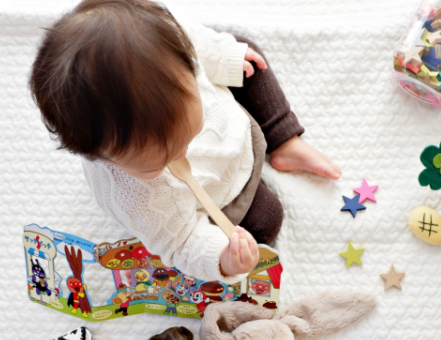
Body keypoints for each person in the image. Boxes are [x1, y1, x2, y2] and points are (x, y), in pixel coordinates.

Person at [29, 0, 341, 282]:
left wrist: (223, 57)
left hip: (235, 126)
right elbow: (181, 243)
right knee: (265, 222)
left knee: (245, 57)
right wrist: (223, 260)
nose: (183, 153)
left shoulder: (170, 44)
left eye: (188, 135)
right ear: (103, 158)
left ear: (185, 66)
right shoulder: (138, 199)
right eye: (158, 162)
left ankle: (284, 141)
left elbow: (201, 45)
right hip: (220, 194)